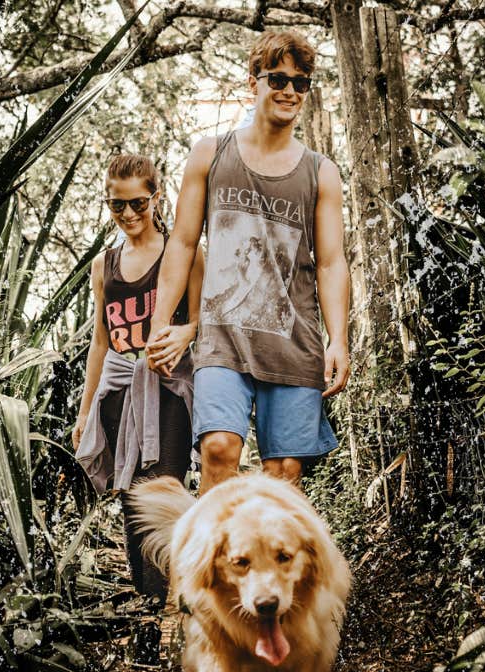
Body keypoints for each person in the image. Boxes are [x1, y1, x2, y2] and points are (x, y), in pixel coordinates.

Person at [146, 30, 350, 495]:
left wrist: (338, 340)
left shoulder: (321, 173)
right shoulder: (211, 154)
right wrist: (161, 322)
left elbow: (331, 263)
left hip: (295, 343)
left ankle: (270, 569)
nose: (289, 91)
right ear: (252, 83)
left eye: (301, 83)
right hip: (224, 339)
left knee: (284, 477)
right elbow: (181, 243)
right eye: (277, 78)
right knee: (219, 450)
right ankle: (207, 567)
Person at [73, 153, 203, 664]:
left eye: (138, 203)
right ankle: (151, 615)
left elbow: (205, 322)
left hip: (168, 390)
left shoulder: (183, 252)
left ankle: (177, 609)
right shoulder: (102, 267)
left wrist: (184, 337)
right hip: (119, 390)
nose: (128, 214)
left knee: (165, 494)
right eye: (116, 205)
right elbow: (100, 344)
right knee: (131, 502)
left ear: (157, 197)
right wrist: (86, 412)